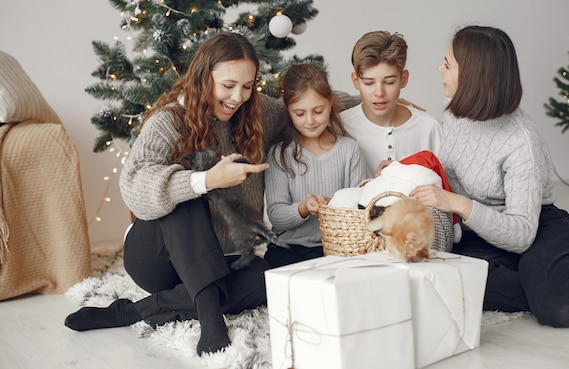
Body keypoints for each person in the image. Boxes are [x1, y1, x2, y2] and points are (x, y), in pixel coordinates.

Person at [65, 33, 288, 356]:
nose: (238, 96)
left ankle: (134, 311)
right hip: (158, 260)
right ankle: (212, 322)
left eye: (248, 85)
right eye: (227, 85)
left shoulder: (258, 112)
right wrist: (206, 180)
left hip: (220, 260)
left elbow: (308, 103)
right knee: (187, 190)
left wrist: (382, 104)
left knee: (264, 278)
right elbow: (134, 185)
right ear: (203, 77)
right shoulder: (169, 121)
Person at [410, 25, 569, 327]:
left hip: (534, 224)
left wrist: (459, 204)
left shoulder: (520, 139)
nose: (439, 68)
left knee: (562, 309)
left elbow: (523, 233)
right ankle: (545, 284)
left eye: (447, 64)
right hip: (479, 232)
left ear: (473, 76)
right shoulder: (453, 111)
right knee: (445, 280)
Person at [264, 63, 366, 267]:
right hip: (287, 247)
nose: (310, 121)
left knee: (325, 272)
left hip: (332, 246)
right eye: (299, 114)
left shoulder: (349, 150)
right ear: (288, 111)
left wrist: (331, 208)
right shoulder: (279, 155)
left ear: (330, 104)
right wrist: (304, 208)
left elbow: (358, 209)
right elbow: (276, 216)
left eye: (318, 111)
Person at [340, 30, 442, 177]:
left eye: (389, 82)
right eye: (369, 83)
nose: (379, 93)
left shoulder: (430, 128)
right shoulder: (342, 128)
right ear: (356, 81)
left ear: (404, 79)